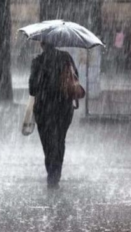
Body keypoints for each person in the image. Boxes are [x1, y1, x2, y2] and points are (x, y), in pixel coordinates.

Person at [29, 42, 78, 189]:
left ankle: (52, 172)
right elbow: (75, 78)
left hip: (44, 109)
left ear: (42, 44)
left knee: (48, 143)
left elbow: (32, 89)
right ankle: (56, 173)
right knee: (60, 140)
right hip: (64, 107)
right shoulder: (66, 58)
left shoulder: (37, 61)